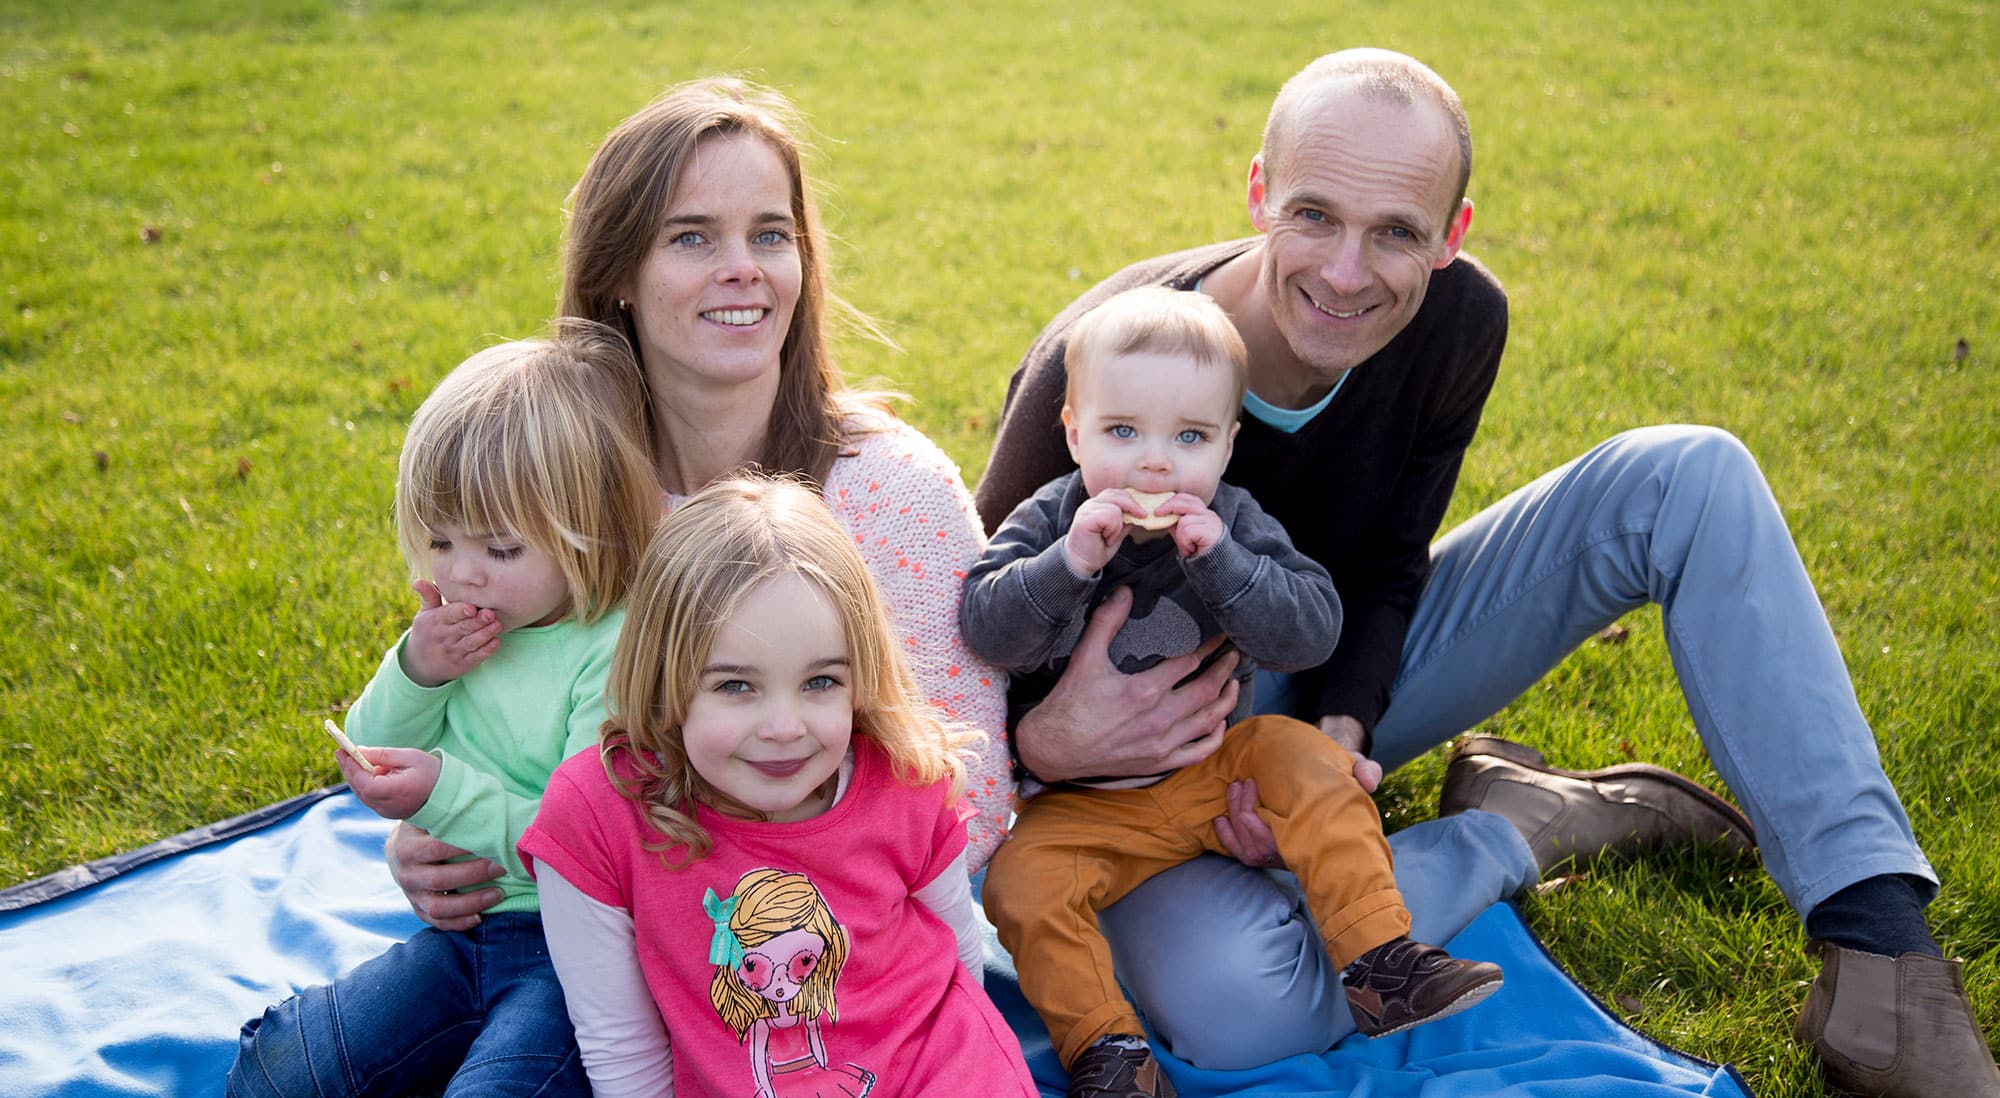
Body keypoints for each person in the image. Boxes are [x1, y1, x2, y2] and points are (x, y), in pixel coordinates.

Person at [975, 47, 1997, 1096]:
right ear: (1257, 192)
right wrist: (1042, 743)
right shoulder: (1104, 363)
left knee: (1687, 474)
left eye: (1396, 233)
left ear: (1451, 235)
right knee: (1241, 1014)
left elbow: (1387, 565)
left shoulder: (1456, 319)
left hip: (1306, 672)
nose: (1344, 274)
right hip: (1106, 764)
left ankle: (1882, 954)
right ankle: (1515, 828)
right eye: (1314, 215)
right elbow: (947, 651)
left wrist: (1339, 745)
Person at [384, 77, 1013, 926]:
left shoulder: (893, 493)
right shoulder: (556, 491)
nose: (743, 267)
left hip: (816, 944)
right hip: (567, 931)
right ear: (618, 274)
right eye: (692, 237)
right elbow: (491, 719)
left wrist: (716, 912)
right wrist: (432, 835)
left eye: (770, 234)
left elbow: (970, 795)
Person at [963, 286, 1501, 1095]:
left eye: (1189, 436)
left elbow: (1312, 630)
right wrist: (1067, 564)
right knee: (1019, 883)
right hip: (1080, 807)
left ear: (1226, 445)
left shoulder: (1234, 523)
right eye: (1122, 431)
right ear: (1073, 430)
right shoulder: (1050, 520)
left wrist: (1224, 562)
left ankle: (1378, 961)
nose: (1155, 462)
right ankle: (1107, 1053)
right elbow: (982, 627)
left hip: (1217, 772)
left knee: (1307, 758)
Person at [227, 323, 662, 1097]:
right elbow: (370, 747)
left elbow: (579, 848)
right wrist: (419, 670)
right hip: (459, 937)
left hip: (573, 952)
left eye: (501, 550)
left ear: (591, 534)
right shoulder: (458, 633)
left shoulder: (611, 648)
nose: (464, 573)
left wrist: (440, 794)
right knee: (277, 1068)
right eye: (440, 541)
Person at [518, 476, 1037, 1097]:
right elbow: (621, 1045)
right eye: (736, 686)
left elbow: (960, 965)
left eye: (820, 682)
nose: (785, 728)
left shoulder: (903, 778)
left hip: (938, 1069)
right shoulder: (599, 812)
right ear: (664, 682)